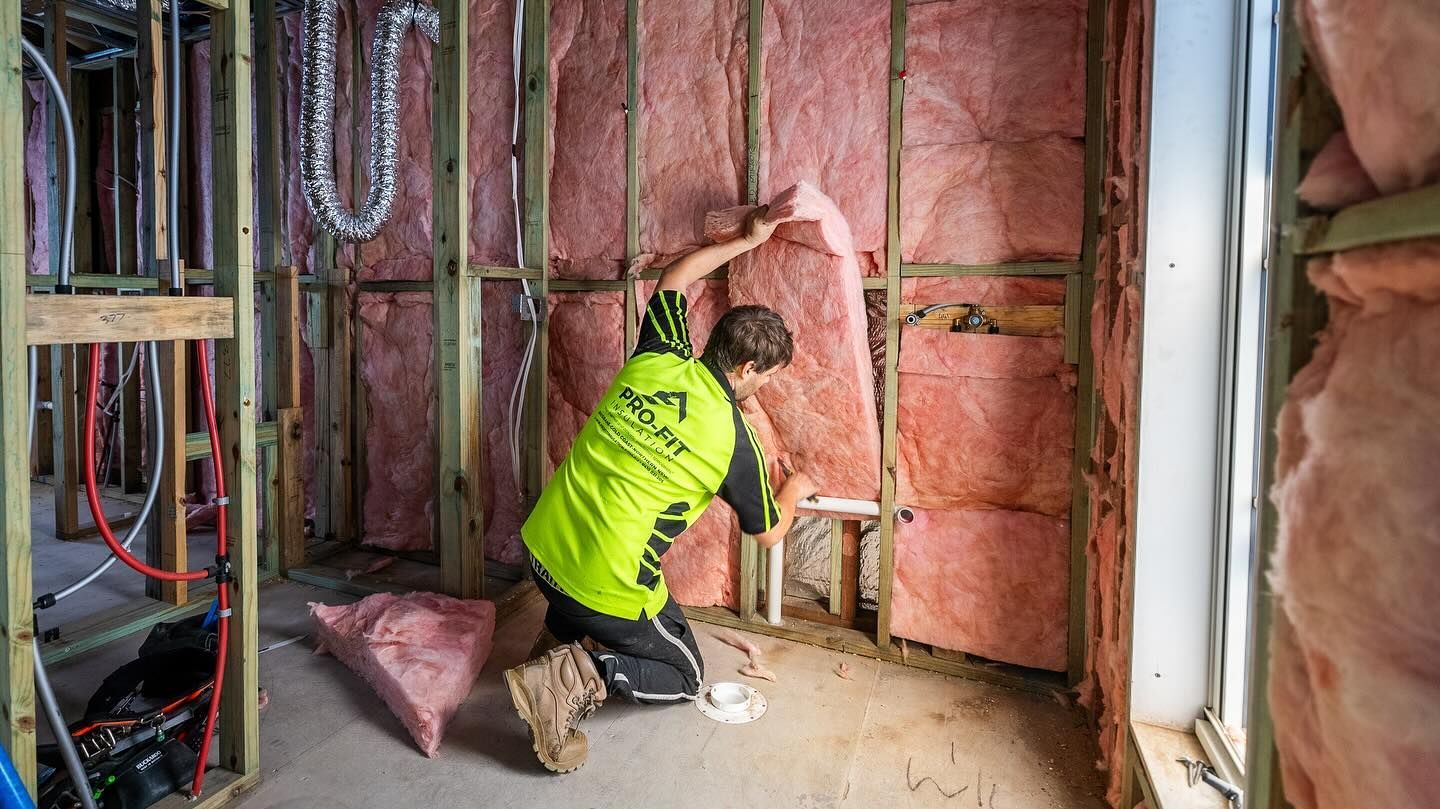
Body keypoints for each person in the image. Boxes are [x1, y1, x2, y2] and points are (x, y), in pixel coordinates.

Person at [504, 205, 818, 772]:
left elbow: (674, 279)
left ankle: (555, 647)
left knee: (633, 596)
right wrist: (796, 486)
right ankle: (574, 678)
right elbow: (771, 533)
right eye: (769, 375)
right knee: (686, 674)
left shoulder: (659, 356)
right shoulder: (732, 439)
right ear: (746, 367)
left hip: (542, 550)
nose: (768, 386)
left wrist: (748, 240)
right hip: (598, 583)